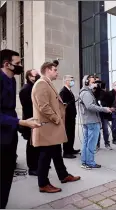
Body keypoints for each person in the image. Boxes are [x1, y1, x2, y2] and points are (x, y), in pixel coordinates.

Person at [0, 49, 41, 208]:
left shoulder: (13, 80)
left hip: (10, 134)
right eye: (17, 63)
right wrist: (21, 122)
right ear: (6, 64)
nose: (20, 66)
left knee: (8, 172)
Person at [32, 62, 81, 193]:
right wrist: (57, 119)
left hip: (52, 127)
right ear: (47, 70)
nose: (57, 72)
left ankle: (63, 175)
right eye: (55, 70)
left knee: (56, 153)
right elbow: (44, 107)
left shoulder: (48, 83)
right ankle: (43, 184)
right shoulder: (41, 84)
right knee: (45, 156)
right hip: (47, 127)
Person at [79, 75, 114, 169]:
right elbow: (90, 106)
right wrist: (105, 109)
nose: (95, 84)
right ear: (86, 82)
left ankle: (85, 161)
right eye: (93, 82)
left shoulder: (88, 92)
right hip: (92, 121)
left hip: (90, 121)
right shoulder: (86, 93)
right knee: (91, 143)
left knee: (87, 142)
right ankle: (89, 162)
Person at [19, 69, 41, 176]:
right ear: (29, 77)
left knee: (37, 143)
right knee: (31, 144)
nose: (37, 75)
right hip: (30, 120)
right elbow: (27, 107)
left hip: (36, 119)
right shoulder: (25, 89)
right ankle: (32, 167)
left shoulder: (34, 87)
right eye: (35, 74)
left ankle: (37, 163)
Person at [59, 75, 80, 158]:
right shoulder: (63, 91)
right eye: (71, 80)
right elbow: (63, 105)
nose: (72, 81)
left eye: (73, 80)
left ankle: (71, 149)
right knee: (68, 134)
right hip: (67, 117)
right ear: (66, 81)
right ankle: (66, 152)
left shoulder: (69, 90)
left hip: (71, 116)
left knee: (71, 134)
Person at [98, 82, 113, 150]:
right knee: (104, 129)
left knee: (101, 129)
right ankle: (106, 144)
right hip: (102, 114)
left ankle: (99, 144)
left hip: (101, 114)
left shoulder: (102, 93)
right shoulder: (106, 93)